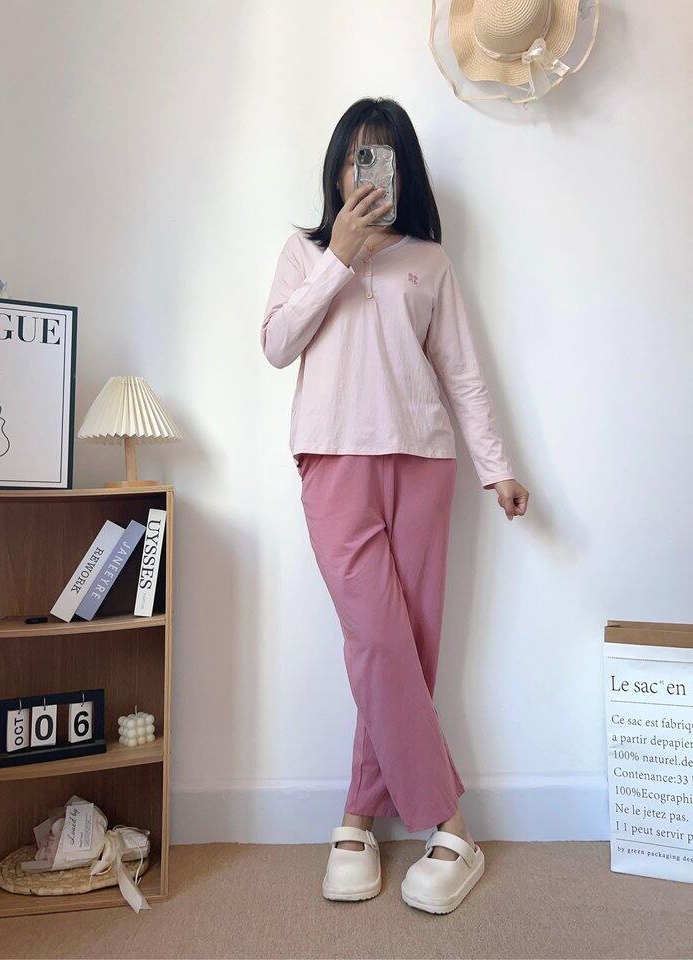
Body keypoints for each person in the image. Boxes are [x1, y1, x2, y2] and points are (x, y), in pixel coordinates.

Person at [260, 97, 529, 914]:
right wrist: (339, 258)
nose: (366, 171)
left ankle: (357, 817)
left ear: (403, 171)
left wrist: (497, 466)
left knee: (409, 647)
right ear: (337, 169)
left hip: (423, 461)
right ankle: (451, 824)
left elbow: (463, 372)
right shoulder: (305, 252)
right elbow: (276, 345)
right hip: (333, 461)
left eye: (381, 157)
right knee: (377, 640)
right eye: (355, 156)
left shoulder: (429, 261)